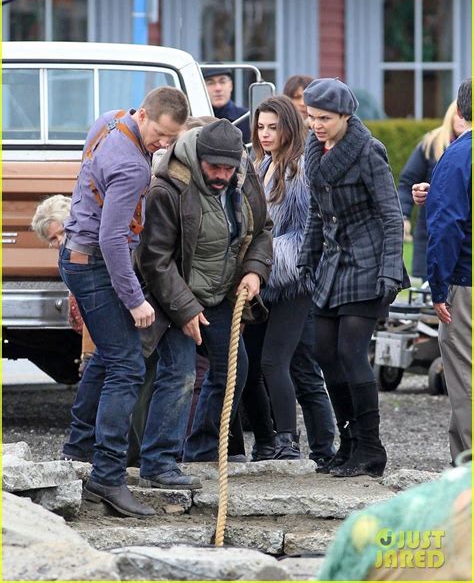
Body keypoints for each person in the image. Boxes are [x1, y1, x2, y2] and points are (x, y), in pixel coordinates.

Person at [59, 86, 189, 518]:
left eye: (172, 140)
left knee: (114, 358)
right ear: (146, 115)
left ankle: (79, 451)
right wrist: (135, 300)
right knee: (128, 365)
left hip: (76, 254)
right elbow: (112, 238)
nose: (164, 146)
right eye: (161, 135)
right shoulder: (132, 165)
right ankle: (108, 478)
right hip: (93, 262)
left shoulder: (110, 120)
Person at [134, 118, 273, 489]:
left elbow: (262, 230)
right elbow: (155, 259)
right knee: (179, 374)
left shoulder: (245, 177)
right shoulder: (169, 187)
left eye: (229, 168)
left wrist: (255, 270)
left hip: (221, 292)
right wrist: (185, 309)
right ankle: (159, 461)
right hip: (172, 295)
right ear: (199, 159)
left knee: (236, 369)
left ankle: (202, 449)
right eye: (215, 168)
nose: (222, 175)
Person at [298, 78, 409, 478]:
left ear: (346, 116)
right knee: (324, 353)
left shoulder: (368, 151)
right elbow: (315, 211)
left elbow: (390, 215)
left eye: (325, 118)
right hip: (332, 262)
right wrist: (307, 257)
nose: (316, 125)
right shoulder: (314, 150)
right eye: (311, 117)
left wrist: (390, 269)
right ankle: (348, 441)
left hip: (368, 262)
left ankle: (371, 449)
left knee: (350, 352)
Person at [242, 95, 335, 462]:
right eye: (260, 127)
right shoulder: (260, 164)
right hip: (263, 281)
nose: (265, 134)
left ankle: (290, 442)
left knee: (279, 363)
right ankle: (270, 441)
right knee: (255, 365)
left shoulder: (298, 171)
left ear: (288, 129)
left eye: (273, 127)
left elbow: (305, 236)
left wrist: (258, 260)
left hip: (294, 281)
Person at [425, 78, 472, 464]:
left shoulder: (458, 156)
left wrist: (437, 288)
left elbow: (447, 227)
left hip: (466, 282)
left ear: (459, 112)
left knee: (466, 384)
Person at [398, 100, 465, 278]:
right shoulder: (431, 143)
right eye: (458, 113)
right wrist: (403, 216)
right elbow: (407, 181)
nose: (461, 119)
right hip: (431, 230)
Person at [31, 194, 94, 376]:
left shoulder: (89, 254)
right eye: (53, 238)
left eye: (63, 232)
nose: (60, 241)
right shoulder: (67, 261)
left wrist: (88, 355)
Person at [202, 66, 251, 143]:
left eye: (222, 82)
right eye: (210, 83)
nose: (218, 88)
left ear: (231, 85)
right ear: (201, 87)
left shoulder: (247, 117)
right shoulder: (194, 119)